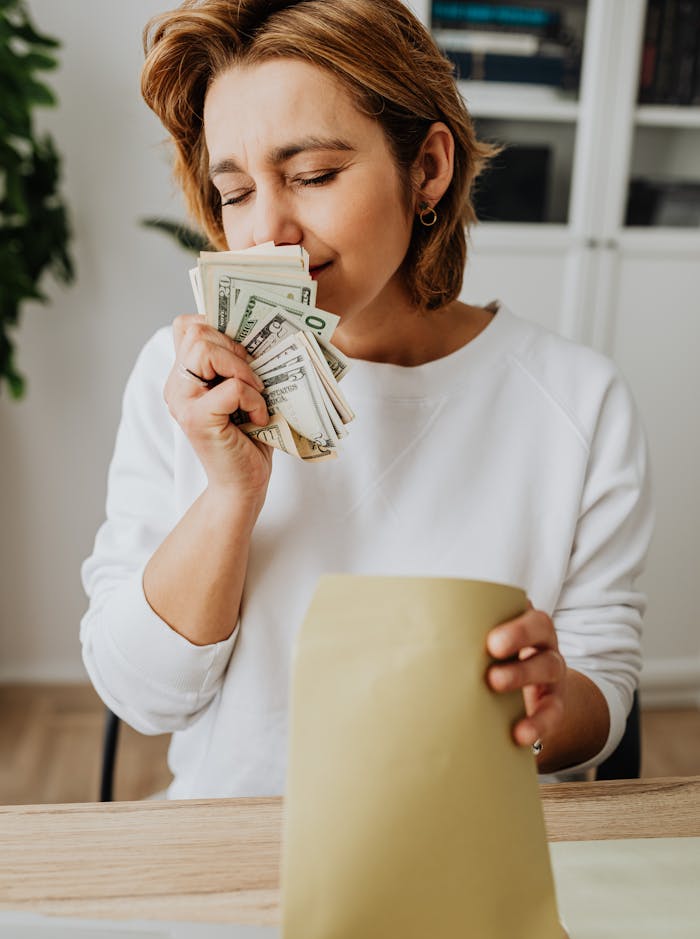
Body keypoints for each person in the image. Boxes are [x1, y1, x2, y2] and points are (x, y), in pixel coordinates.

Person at [81, 0, 653, 799]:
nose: (267, 232)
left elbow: (604, 694)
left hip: (468, 860)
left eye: (312, 175)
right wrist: (228, 496)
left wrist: (552, 709)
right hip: (235, 854)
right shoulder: (180, 381)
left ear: (428, 169)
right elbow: (142, 697)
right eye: (236, 191)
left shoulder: (577, 401)